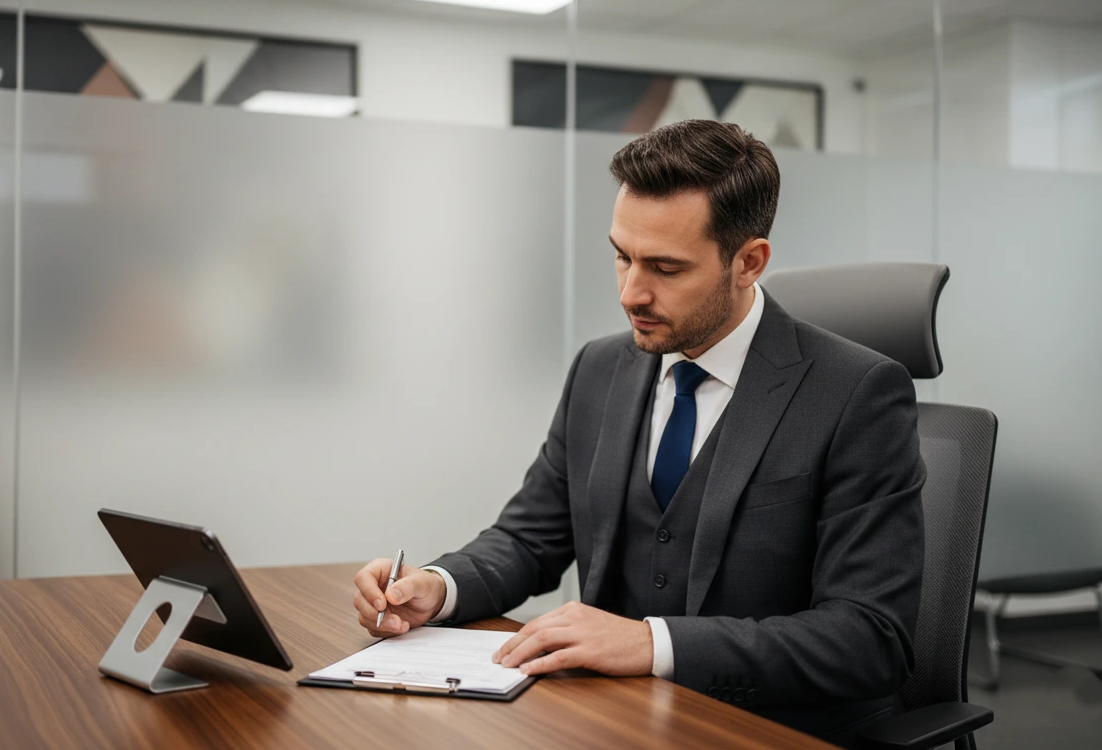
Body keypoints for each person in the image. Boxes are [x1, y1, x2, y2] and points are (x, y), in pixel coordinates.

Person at [352, 119, 925, 746]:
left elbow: (869, 638)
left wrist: (653, 642)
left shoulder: (856, 393)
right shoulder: (601, 368)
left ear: (749, 263)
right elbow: (530, 537)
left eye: (666, 268)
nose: (631, 293)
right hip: (609, 719)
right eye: (622, 256)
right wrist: (438, 587)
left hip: (764, 728)